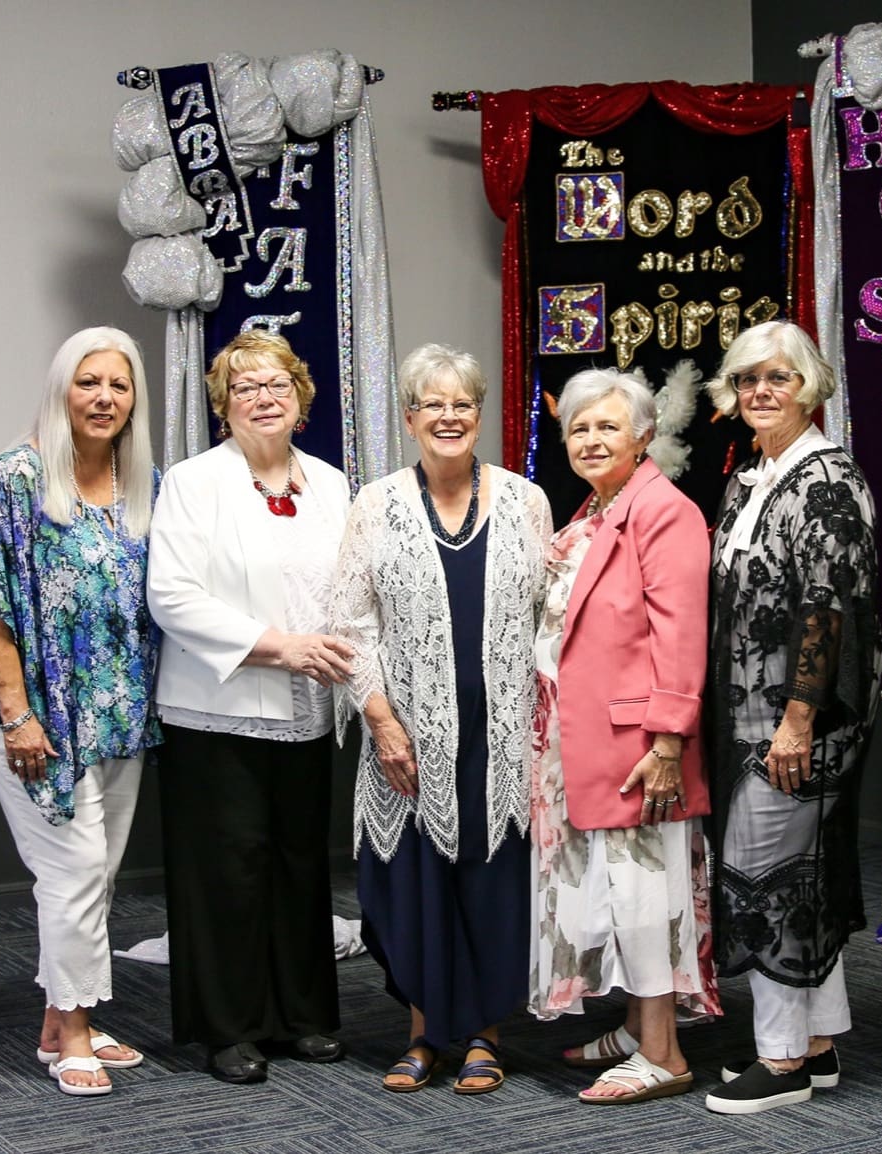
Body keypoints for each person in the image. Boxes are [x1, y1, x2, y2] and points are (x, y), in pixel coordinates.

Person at [332, 343, 552, 1095]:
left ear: (480, 415)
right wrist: (382, 721)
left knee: (492, 883)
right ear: (410, 416)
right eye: (434, 403)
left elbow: (546, 618)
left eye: (464, 403)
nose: (450, 416)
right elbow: (349, 623)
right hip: (408, 735)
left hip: (502, 735)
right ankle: (425, 1035)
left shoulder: (527, 501)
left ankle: (486, 1037)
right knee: (414, 883)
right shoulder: (375, 505)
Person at [0, 326, 161, 1097]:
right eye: (89, 382)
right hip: (36, 718)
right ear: (61, 388)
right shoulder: (17, 477)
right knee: (70, 872)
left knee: (93, 878)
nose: (104, 398)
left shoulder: (143, 483)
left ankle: (58, 1014)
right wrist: (16, 714)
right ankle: (72, 1032)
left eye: (119, 384)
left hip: (119, 715)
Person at [145, 330, 355, 1084]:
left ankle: (303, 1015)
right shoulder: (195, 483)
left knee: (300, 864)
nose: (263, 398)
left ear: (301, 398)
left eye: (277, 384)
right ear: (222, 406)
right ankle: (229, 1026)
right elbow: (171, 596)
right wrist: (277, 645)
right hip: (216, 708)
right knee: (227, 869)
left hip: (309, 708)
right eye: (245, 388)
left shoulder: (331, 483)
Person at [701, 321, 880, 1116]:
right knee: (799, 875)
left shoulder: (829, 484)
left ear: (809, 388)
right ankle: (818, 1040)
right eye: (746, 380)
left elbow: (826, 612)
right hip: (743, 716)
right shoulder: (748, 480)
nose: (760, 392)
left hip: (799, 721)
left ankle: (779, 1065)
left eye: (777, 377)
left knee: (763, 875)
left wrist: (799, 720)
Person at [528, 367, 720, 1105]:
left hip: (639, 746)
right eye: (578, 427)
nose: (590, 438)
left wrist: (668, 740)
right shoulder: (599, 508)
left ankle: (664, 1054)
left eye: (608, 426)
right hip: (582, 740)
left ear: (644, 435)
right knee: (612, 888)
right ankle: (641, 1027)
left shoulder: (662, 510)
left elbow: (680, 633)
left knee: (644, 892)